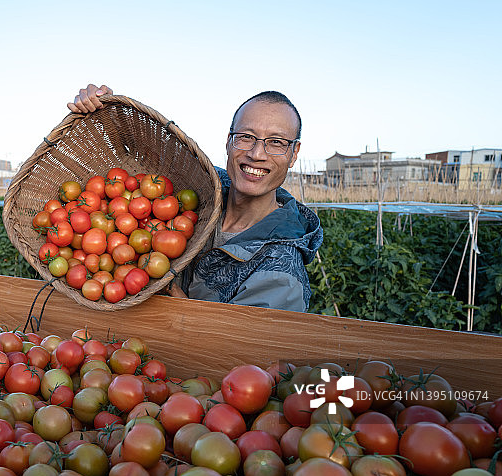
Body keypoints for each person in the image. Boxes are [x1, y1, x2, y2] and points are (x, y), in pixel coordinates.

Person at [69, 84, 323, 312]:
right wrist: (106, 111)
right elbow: (138, 148)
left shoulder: (281, 273)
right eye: (246, 137)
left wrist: (186, 314)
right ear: (229, 142)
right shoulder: (203, 186)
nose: (257, 153)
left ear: (293, 153)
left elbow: (245, 359)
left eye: (276, 142)